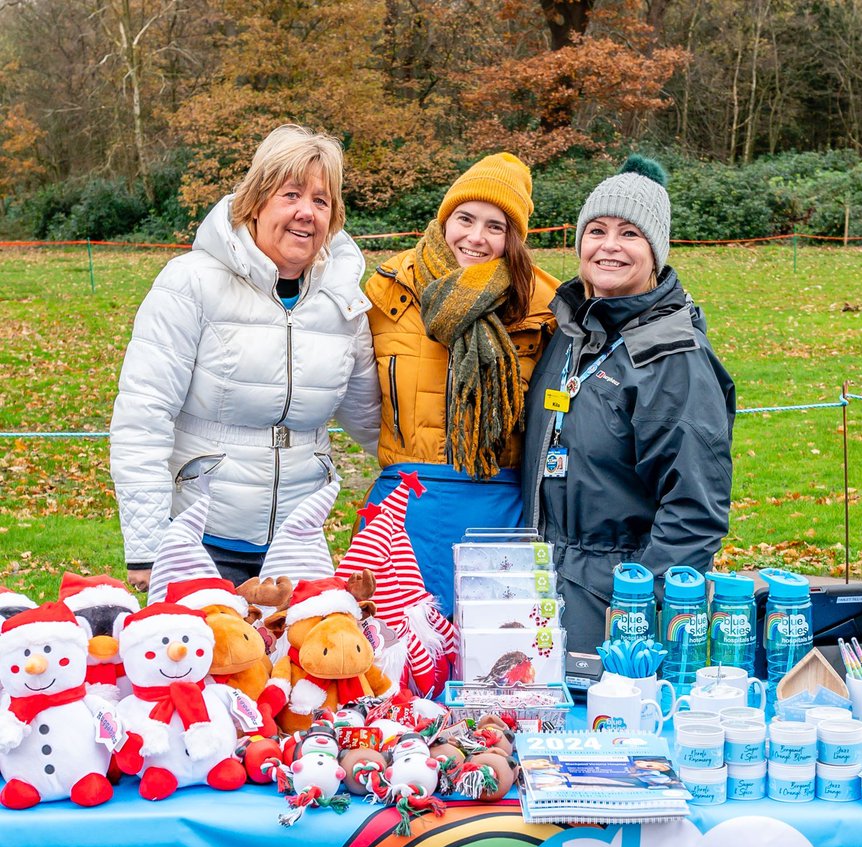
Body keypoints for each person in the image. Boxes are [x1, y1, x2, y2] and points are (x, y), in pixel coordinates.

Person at [110, 124, 380, 589]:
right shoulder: (190, 283)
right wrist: (148, 547)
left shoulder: (343, 299)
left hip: (300, 545)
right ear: (255, 202)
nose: (306, 212)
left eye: (321, 201)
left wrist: (439, 478)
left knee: (306, 661)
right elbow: (143, 415)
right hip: (200, 542)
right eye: (291, 194)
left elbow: (372, 418)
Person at [522, 155, 735, 654]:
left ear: (656, 252)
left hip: (615, 605)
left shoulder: (674, 359)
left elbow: (695, 512)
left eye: (630, 234)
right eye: (596, 230)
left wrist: (638, 611)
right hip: (543, 593)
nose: (609, 246)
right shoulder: (570, 331)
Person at [364, 153, 558, 611]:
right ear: (444, 218)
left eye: (496, 226)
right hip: (405, 511)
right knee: (401, 654)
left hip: (499, 510)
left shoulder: (545, 305)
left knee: (495, 657)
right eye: (465, 218)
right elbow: (355, 396)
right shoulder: (388, 290)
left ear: (514, 238)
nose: (476, 237)